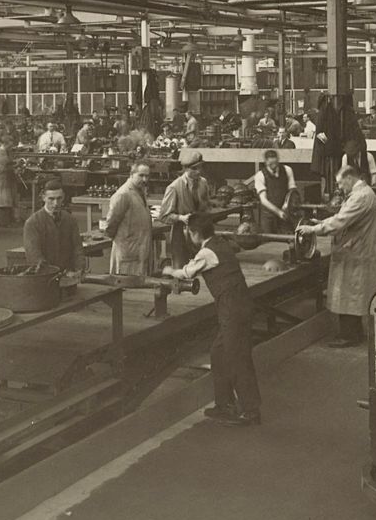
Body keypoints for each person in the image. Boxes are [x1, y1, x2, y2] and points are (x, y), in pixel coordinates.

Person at [164, 215, 261, 426]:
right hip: (239, 304)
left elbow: (188, 273)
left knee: (237, 357)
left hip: (232, 307)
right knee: (219, 352)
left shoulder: (207, 252)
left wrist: (169, 271)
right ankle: (224, 405)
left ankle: (251, 412)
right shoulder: (221, 243)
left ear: (195, 234)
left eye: (190, 233)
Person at [297, 165, 376, 348]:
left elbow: (341, 221)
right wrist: (322, 222)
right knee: (352, 295)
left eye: (341, 183)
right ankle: (354, 333)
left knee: (350, 294)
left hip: (355, 253)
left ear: (350, 178)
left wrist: (313, 229)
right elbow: (342, 216)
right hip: (354, 250)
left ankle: (349, 336)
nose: (340, 188)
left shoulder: (361, 197)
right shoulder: (361, 194)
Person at [23, 180, 84, 282]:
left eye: (59, 198)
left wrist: (79, 270)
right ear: (43, 198)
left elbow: (78, 249)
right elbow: (34, 256)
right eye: (51, 199)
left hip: (69, 277)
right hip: (44, 279)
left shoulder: (70, 220)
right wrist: (52, 274)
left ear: (63, 197)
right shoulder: (33, 223)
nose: (56, 203)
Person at [160, 151, 212, 266]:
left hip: (200, 234)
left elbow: (207, 205)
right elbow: (163, 216)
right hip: (181, 235)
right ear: (185, 169)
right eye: (194, 169)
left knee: (202, 268)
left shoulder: (203, 183)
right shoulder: (174, 187)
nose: (198, 171)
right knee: (181, 270)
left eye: (200, 167)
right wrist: (180, 217)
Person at [105, 161, 155, 276]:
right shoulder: (123, 194)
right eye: (141, 175)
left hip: (139, 248)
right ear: (131, 174)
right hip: (128, 250)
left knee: (139, 285)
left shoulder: (140, 191)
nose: (145, 180)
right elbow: (111, 223)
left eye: (147, 176)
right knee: (127, 286)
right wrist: (122, 240)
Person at [253, 149, 298, 234]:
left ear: (278, 160)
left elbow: (292, 190)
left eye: (276, 163)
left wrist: (286, 206)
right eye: (271, 164)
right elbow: (264, 200)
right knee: (267, 240)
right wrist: (278, 212)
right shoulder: (260, 175)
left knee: (288, 237)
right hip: (268, 215)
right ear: (266, 162)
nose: (274, 166)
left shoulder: (287, 170)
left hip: (285, 213)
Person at [0, 140, 16, 227]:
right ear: (5, 144)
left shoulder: (2, 152)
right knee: (3, 201)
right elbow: (4, 167)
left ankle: (2, 221)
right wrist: (15, 166)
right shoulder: (1, 154)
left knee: (4, 200)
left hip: (4, 179)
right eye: (10, 146)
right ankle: (3, 222)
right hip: (3, 179)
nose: (11, 148)